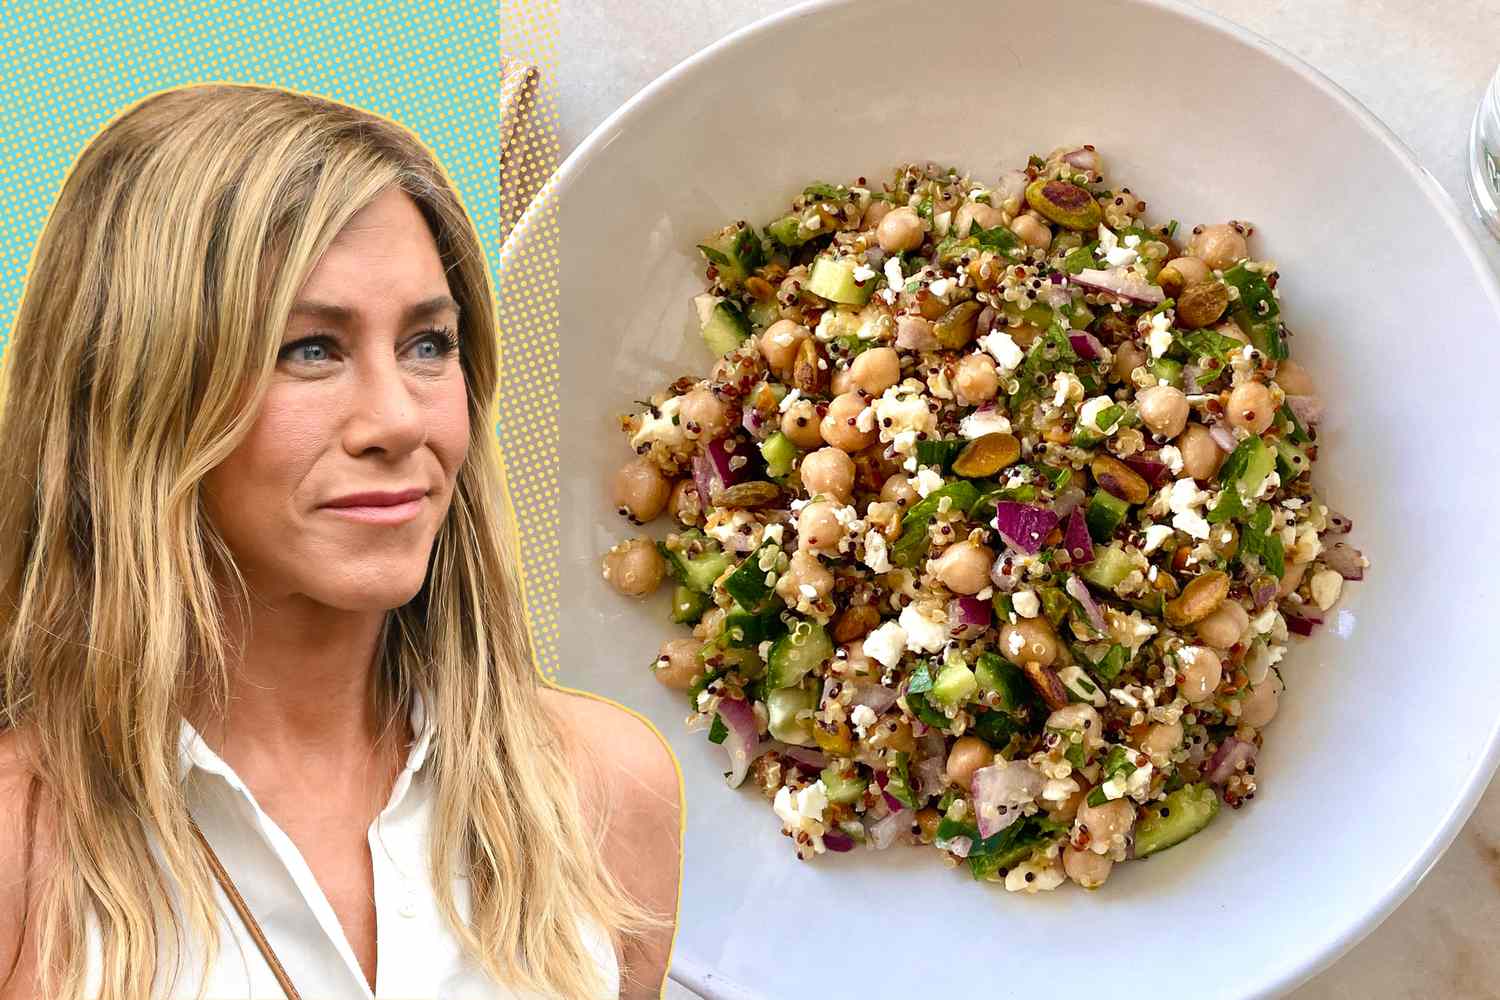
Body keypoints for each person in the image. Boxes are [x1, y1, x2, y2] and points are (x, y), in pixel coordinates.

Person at [0, 83, 680, 999]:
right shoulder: (20, 837)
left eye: (429, 345)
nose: (399, 420)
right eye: (310, 349)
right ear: (132, 389)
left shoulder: (601, 789)